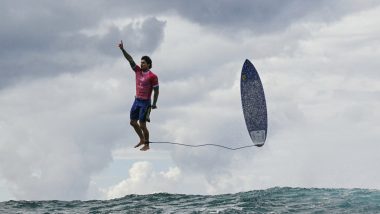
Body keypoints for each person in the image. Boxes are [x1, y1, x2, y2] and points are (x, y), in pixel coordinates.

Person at [118, 40, 159, 151]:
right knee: (132, 122)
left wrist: (154, 104)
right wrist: (122, 50)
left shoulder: (153, 76)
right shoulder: (137, 71)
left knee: (142, 125)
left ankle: (147, 144)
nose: (141, 64)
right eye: (141, 62)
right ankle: (141, 139)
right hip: (137, 101)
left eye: (144, 63)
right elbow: (130, 59)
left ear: (149, 65)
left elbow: (156, 91)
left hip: (145, 103)